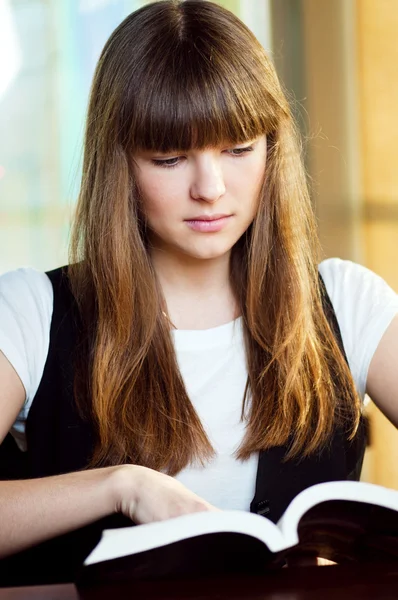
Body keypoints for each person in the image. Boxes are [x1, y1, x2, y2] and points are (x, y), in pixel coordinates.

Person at [0, 0, 397, 586]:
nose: (210, 189)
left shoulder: (347, 302)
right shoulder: (32, 312)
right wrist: (122, 486)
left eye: (239, 149)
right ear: (121, 165)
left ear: (272, 148)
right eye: (169, 156)